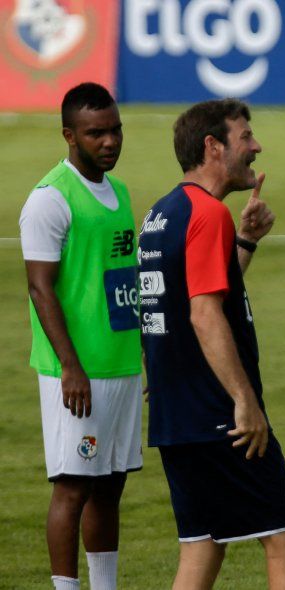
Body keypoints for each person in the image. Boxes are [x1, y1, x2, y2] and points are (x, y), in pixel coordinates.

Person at [139, 99, 285, 590]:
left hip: (177, 419)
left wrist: (246, 242)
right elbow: (203, 313)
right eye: (245, 137)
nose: (256, 147)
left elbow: (183, 302)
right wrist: (244, 400)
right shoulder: (207, 214)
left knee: (201, 549)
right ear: (213, 147)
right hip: (221, 419)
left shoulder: (162, 213)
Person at [20, 82, 142, 590]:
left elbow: (124, 284)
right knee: (72, 486)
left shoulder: (122, 193)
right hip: (78, 374)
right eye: (96, 133)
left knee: (110, 485)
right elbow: (39, 287)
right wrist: (70, 366)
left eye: (115, 130)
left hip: (121, 364)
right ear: (69, 135)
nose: (109, 141)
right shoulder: (50, 199)